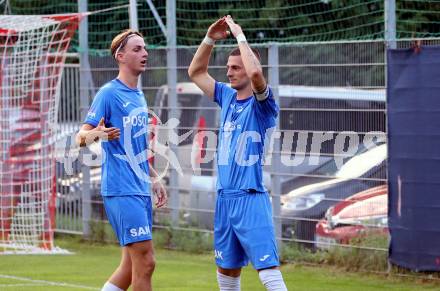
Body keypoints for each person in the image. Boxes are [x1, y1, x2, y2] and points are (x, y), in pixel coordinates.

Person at [188, 16, 288, 291]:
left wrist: (239, 35)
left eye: (235, 67)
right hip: (224, 199)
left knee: (268, 271)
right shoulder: (227, 97)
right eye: (228, 67)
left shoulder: (263, 105)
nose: (229, 72)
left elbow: (257, 75)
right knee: (227, 272)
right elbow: (196, 72)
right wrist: (209, 38)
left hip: (250, 199)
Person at [75, 29, 167, 291]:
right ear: (121, 55)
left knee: (130, 267)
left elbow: (134, 149)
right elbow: (79, 137)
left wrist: (154, 178)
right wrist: (98, 134)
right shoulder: (108, 93)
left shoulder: (138, 96)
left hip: (139, 189)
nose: (145, 53)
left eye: (145, 48)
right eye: (137, 49)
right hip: (121, 189)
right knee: (146, 262)